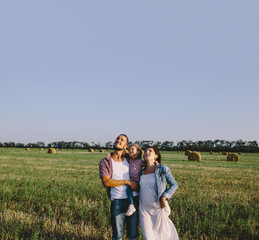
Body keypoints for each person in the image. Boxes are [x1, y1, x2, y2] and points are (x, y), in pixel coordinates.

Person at [99, 134, 139, 240]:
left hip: (133, 200)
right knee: (117, 236)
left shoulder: (129, 159)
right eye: (117, 138)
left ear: (125, 146)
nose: (118, 140)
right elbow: (106, 182)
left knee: (133, 235)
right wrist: (126, 182)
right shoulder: (105, 162)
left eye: (122, 140)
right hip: (117, 201)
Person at [139, 146, 179, 240]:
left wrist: (164, 197)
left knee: (163, 235)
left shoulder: (162, 169)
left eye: (150, 151)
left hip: (158, 207)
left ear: (156, 156)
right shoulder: (141, 172)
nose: (147, 152)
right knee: (148, 237)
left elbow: (174, 184)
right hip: (144, 209)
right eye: (145, 151)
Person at [125, 144, 146, 216]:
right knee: (128, 189)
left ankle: (138, 207)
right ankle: (131, 205)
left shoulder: (140, 161)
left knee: (141, 196)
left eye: (132, 149)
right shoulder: (129, 159)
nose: (130, 150)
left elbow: (147, 165)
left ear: (138, 152)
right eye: (129, 149)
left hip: (138, 181)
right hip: (131, 181)